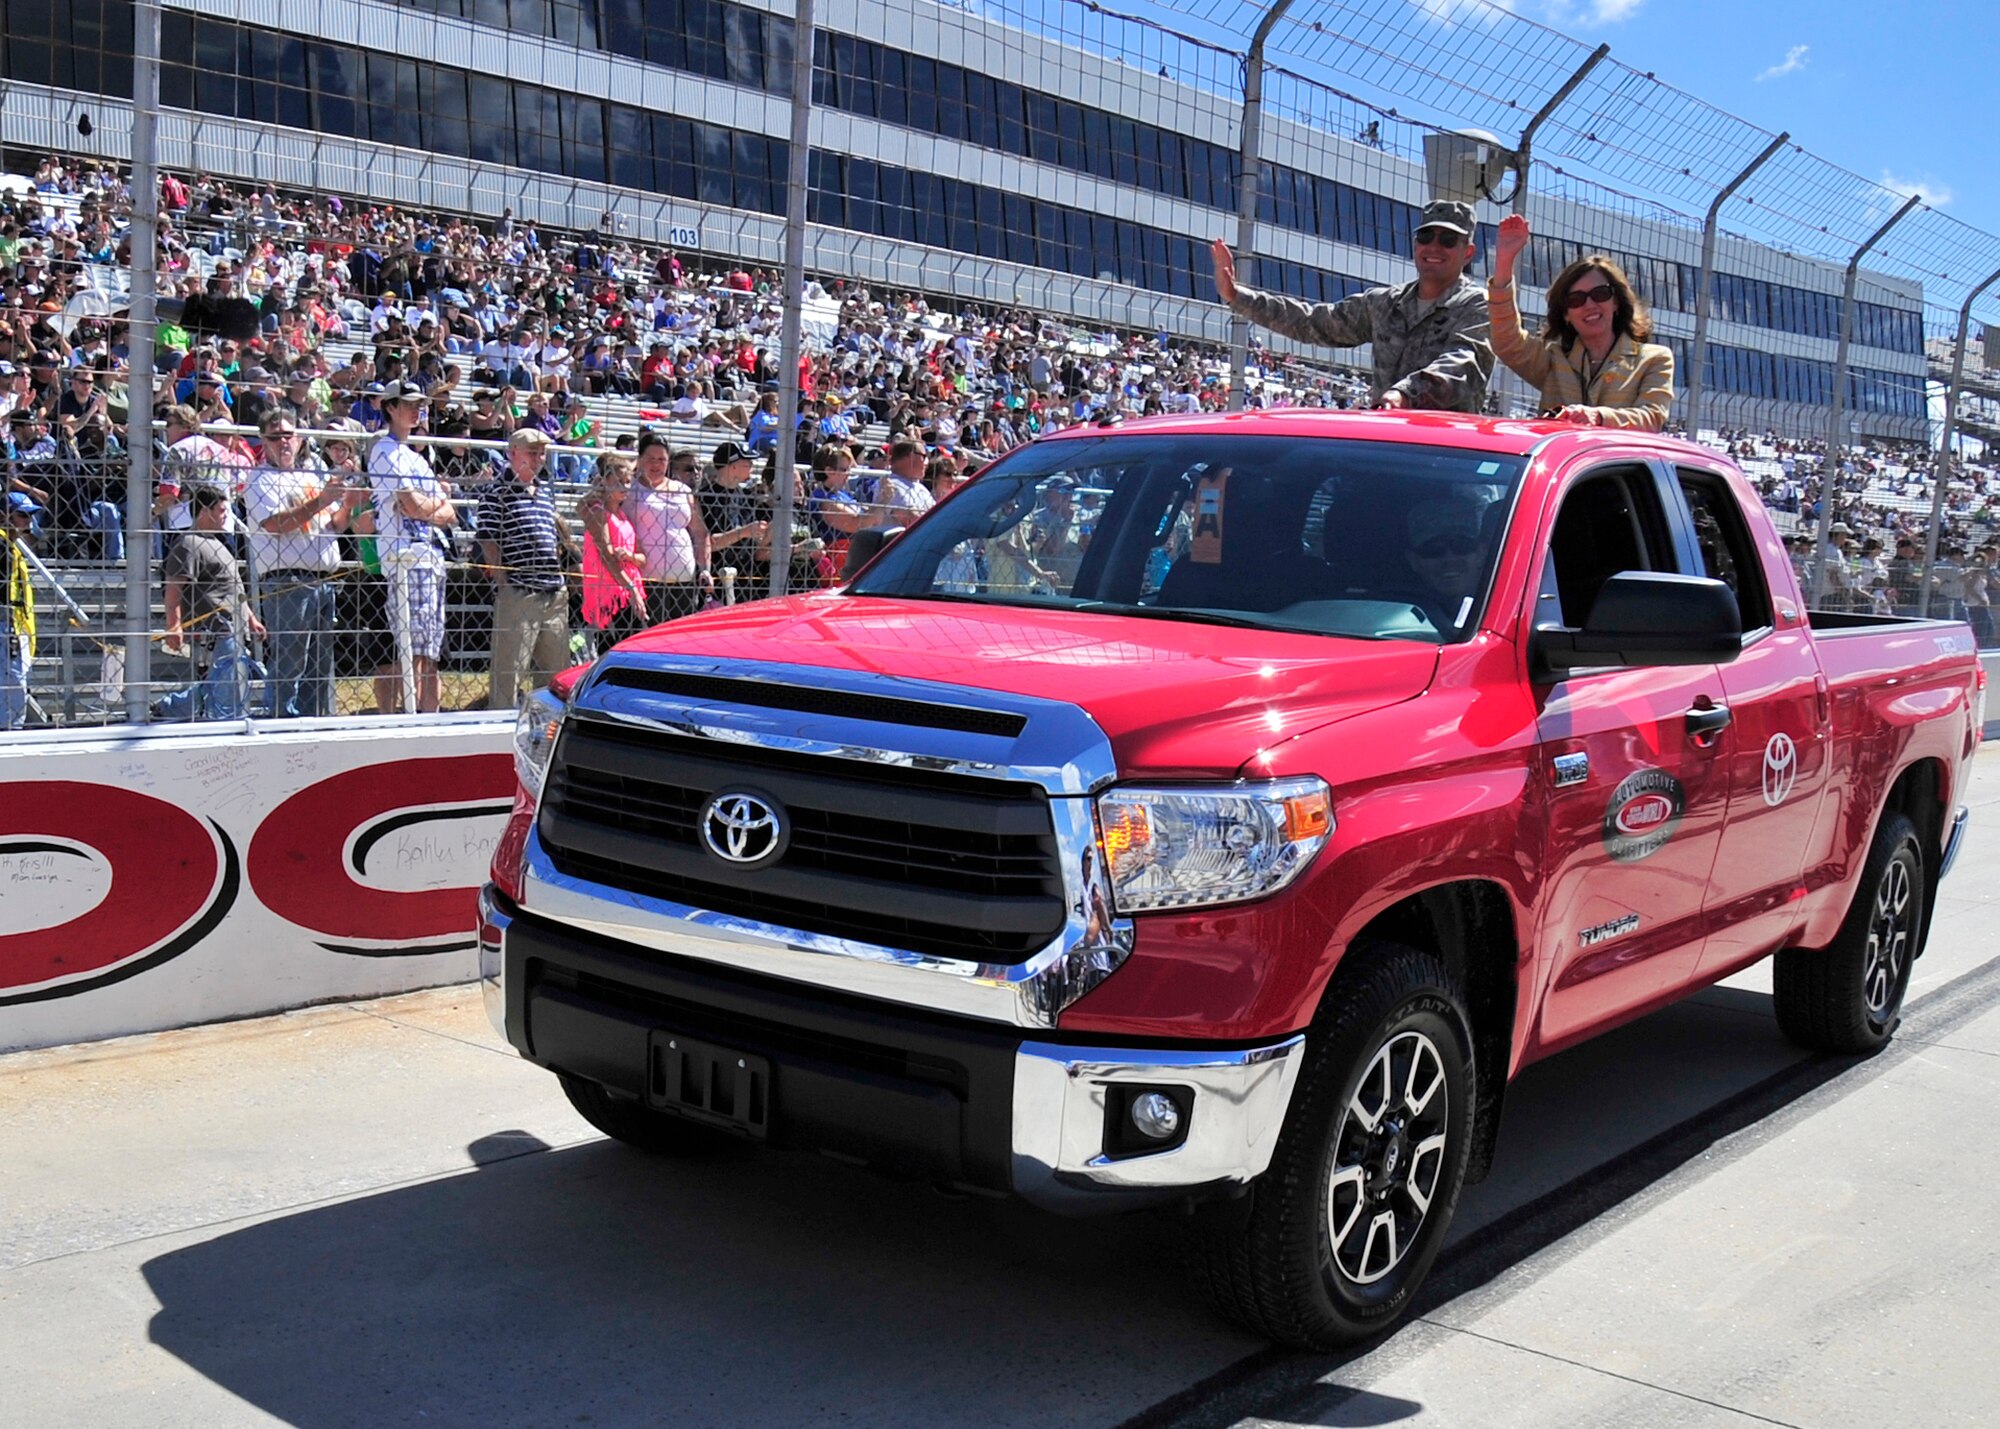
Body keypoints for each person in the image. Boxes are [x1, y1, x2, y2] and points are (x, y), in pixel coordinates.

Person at [1209, 200, 1493, 411]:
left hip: (1451, 456)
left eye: (1448, 240)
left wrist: (1405, 395)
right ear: (1415, 244)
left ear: (1467, 252)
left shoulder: (1477, 305)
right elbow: (1313, 322)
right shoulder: (1386, 303)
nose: (1434, 247)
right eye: (1425, 237)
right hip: (1388, 442)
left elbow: (1462, 364)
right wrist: (1237, 295)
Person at [1487, 215, 1674, 430]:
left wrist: (1597, 417)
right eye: (1576, 299)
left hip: (1619, 462)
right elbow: (1507, 341)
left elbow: (1651, 417)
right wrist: (1504, 261)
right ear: (1566, 314)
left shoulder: (1654, 359)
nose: (1590, 305)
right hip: (1563, 462)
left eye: (1600, 294)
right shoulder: (1553, 359)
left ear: (1616, 302)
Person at [243, 409, 359, 717]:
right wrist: (322, 500)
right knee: (291, 659)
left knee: (319, 664)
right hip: (287, 581)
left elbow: (333, 524)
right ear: (263, 441)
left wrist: (347, 503)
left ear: (299, 439)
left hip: (322, 580)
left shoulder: (309, 476)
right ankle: (281, 718)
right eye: (275, 436)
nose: (283, 443)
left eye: (288, 435)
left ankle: (309, 721)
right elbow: (276, 525)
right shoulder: (259, 479)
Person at [366, 379, 456, 713]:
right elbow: (418, 505)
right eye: (407, 403)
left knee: (430, 650)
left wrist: (430, 505)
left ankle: (426, 716)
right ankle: (410, 715)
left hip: (430, 554)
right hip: (406, 556)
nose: (416, 410)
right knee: (412, 648)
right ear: (390, 407)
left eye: (419, 404)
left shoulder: (416, 457)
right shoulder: (384, 451)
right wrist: (434, 504)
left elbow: (447, 512)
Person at [476, 428, 577, 710]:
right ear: (513, 454)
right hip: (520, 590)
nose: (538, 458)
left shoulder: (544, 492)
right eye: (532, 452)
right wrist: (505, 584)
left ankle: (546, 726)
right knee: (510, 673)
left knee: (555, 673)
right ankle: (501, 724)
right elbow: (488, 540)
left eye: (541, 452)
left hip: (553, 592)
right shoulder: (496, 492)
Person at [159, 484, 266, 720]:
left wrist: (251, 620)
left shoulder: (221, 545)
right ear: (204, 511)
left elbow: (235, 589)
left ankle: (171, 707)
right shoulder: (187, 543)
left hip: (234, 627)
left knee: (224, 681)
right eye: (221, 510)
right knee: (224, 684)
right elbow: (174, 588)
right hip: (214, 630)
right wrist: (174, 625)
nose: (226, 515)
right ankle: (175, 708)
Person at [628, 434, 712, 621]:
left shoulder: (683, 491)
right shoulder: (629, 490)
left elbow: (700, 533)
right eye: (650, 459)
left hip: (685, 582)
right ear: (639, 460)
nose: (656, 464)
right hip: (647, 580)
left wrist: (705, 568)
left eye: (662, 459)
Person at [578, 452, 648, 653]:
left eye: (627, 482)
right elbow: (606, 555)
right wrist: (631, 587)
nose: (625, 487)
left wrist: (630, 556)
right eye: (619, 481)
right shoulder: (598, 512)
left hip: (628, 589)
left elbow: (642, 558)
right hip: (611, 593)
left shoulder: (623, 515)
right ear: (605, 482)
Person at [1400, 496, 1493, 636]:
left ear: (1481, 553)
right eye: (1433, 549)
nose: (1449, 559)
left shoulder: (1511, 610)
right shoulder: (1395, 619)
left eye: (1462, 546)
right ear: (1413, 560)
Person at [696, 441, 772, 599]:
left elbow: (752, 542)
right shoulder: (706, 497)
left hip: (744, 577)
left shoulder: (745, 497)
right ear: (732, 466)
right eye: (746, 462)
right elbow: (708, 543)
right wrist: (743, 532)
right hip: (717, 579)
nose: (751, 465)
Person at [3, 491, 38, 728]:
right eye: (22, 515)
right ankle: (11, 733)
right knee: (13, 684)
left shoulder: (11, 545)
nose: (28, 521)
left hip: (14, 623)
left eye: (30, 516)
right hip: (5, 625)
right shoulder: (3, 545)